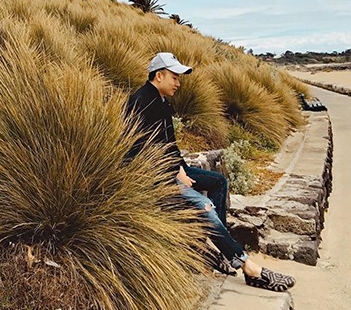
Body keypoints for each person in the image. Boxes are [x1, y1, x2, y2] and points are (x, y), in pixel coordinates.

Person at [125, 52, 294, 292]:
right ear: (159, 75)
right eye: (174, 77)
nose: (178, 83)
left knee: (218, 182)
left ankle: (221, 251)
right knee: (206, 207)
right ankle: (248, 267)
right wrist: (175, 173)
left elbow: (169, 144)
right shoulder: (142, 102)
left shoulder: (163, 102)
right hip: (151, 178)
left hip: (170, 170)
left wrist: (181, 167)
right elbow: (142, 149)